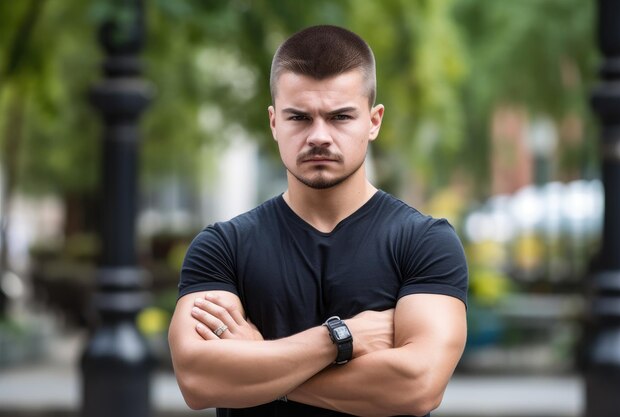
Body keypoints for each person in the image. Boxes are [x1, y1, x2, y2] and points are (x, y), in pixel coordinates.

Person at [168, 25, 468, 417]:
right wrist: (341, 339)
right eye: (299, 118)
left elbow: (417, 385)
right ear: (274, 122)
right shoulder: (222, 247)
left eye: (340, 117)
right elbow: (197, 380)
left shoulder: (425, 242)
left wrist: (258, 366)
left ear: (373, 121)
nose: (319, 136)